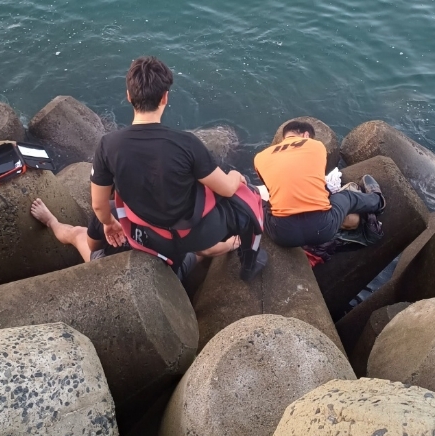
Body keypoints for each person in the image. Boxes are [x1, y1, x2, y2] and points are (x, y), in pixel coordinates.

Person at [90, 56, 266, 281]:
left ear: (129, 96)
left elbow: (98, 203)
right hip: (193, 237)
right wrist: (236, 175)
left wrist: (109, 223)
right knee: (244, 194)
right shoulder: (186, 143)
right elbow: (227, 190)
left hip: (144, 233)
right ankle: (249, 260)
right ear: (165, 97)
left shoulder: (107, 145)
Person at [254, 120, 384, 250]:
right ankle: (378, 201)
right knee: (347, 197)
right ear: (306, 135)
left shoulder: (260, 157)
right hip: (323, 229)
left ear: (284, 137)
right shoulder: (316, 145)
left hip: (282, 235)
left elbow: (270, 188)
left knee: (258, 201)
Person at [30, 197, 129, 264]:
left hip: (114, 265)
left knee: (78, 234)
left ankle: (50, 221)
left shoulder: (109, 210)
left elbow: (93, 247)